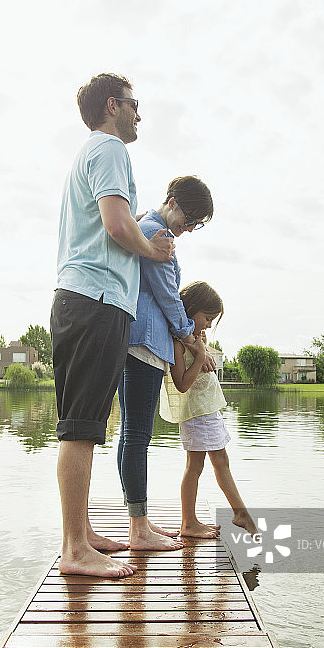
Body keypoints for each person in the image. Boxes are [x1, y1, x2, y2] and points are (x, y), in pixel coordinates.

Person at [51, 73, 175, 578]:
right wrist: (154, 249)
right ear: (112, 106)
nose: (139, 113)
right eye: (134, 104)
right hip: (94, 300)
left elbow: (119, 218)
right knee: (80, 429)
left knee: (88, 426)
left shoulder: (97, 153)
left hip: (96, 302)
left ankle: (81, 535)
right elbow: (117, 224)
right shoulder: (109, 150)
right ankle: (75, 550)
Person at [117, 177, 215, 550]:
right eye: (189, 219)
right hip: (144, 339)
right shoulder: (157, 234)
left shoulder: (146, 227)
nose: (188, 229)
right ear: (172, 202)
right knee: (138, 434)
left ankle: (137, 520)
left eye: (195, 225)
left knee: (131, 432)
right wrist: (189, 333)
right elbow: (169, 296)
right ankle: (139, 529)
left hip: (135, 336)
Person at [160, 281, 257, 539]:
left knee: (218, 461)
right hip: (196, 411)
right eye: (207, 318)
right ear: (190, 308)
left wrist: (202, 350)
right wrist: (201, 357)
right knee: (196, 465)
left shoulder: (194, 337)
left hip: (207, 409)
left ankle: (237, 512)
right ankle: (191, 522)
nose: (209, 325)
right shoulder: (179, 342)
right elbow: (181, 383)